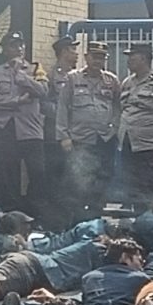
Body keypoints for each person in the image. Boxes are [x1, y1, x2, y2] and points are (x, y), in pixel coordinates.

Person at [0, 34, 49, 218]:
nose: (18, 49)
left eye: (21, 45)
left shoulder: (35, 68)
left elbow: (43, 91)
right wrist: (16, 100)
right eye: (13, 46)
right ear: (5, 50)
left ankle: (36, 213)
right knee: (8, 173)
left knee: (37, 172)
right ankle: (12, 215)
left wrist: (22, 76)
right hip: (5, 128)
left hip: (31, 128)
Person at [58, 37, 123, 218]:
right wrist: (63, 136)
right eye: (95, 57)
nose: (98, 61)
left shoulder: (112, 80)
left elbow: (118, 107)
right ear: (87, 57)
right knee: (78, 180)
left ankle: (95, 217)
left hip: (105, 139)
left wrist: (115, 128)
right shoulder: (72, 79)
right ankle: (77, 220)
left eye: (102, 58)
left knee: (103, 179)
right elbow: (63, 107)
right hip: (80, 139)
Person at [118, 41, 153, 213]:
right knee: (134, 190)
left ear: (144, 58)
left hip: (151, 146)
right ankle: (140, 223)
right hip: (129, 144)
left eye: (132, 56)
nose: (129, 60)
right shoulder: (127, 82)